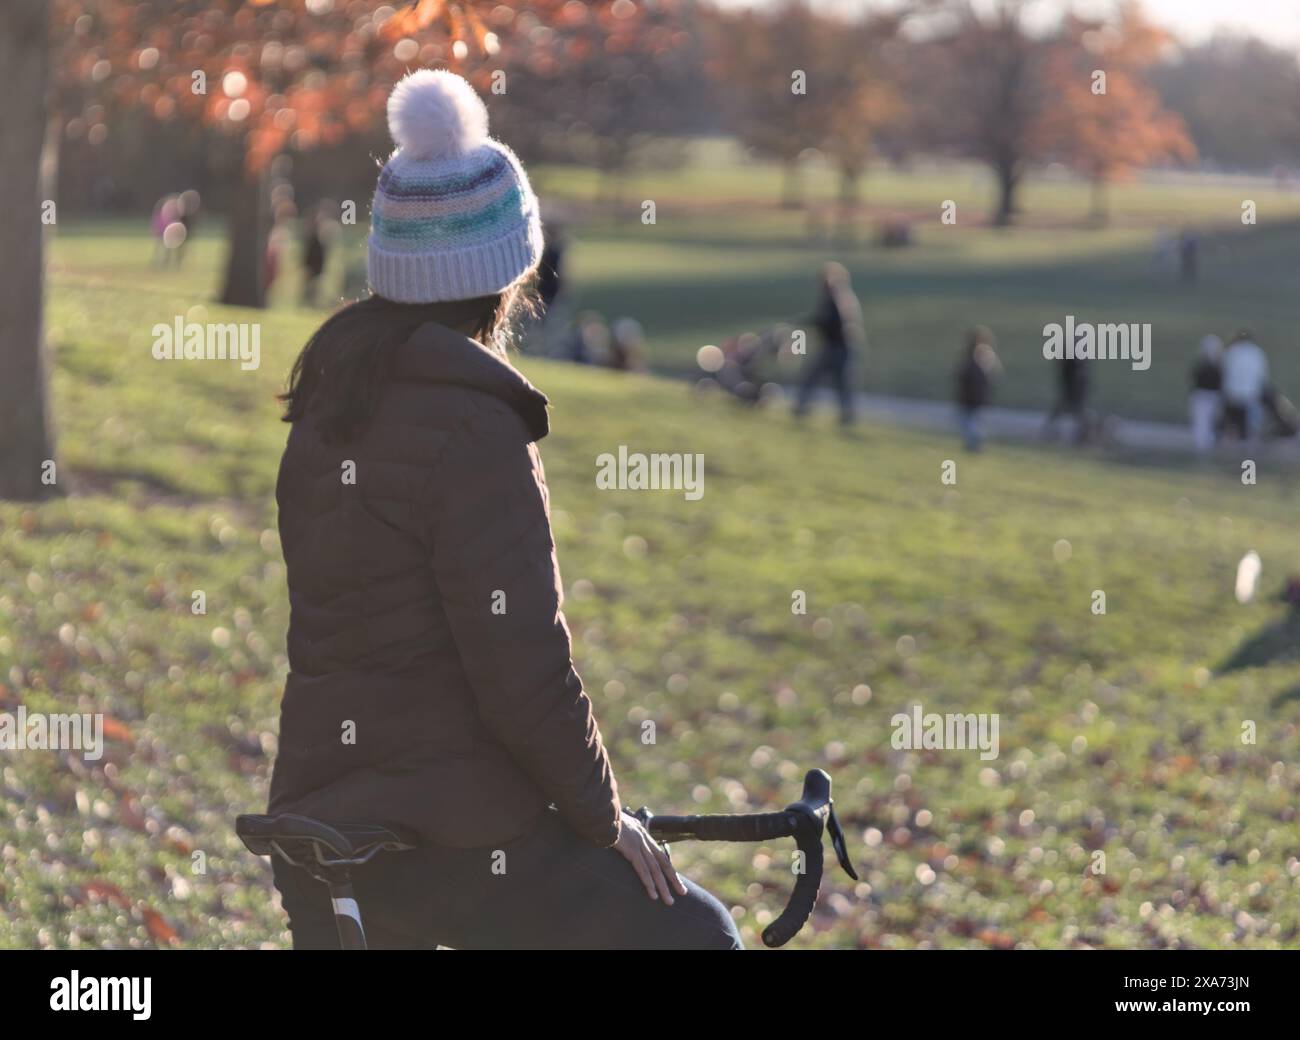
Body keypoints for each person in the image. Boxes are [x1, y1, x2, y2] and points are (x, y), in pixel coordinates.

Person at [267, 70, 740, 951]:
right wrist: (606, 822)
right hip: (446, 840)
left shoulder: (327, 406)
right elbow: (523, 671)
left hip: (316, 823)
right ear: (504, 274)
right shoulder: (476, 428)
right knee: (698, 934)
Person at [793, 261, 862, 426]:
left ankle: (845, 415)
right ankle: (803, 407)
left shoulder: (838, 298)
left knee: (837, 382)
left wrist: (811, 323)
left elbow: (832, 322)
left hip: (839, 347)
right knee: (821, 379)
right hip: (834, 346)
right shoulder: (839, 297)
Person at [953, 326, 1001, 452]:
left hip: (974, 395)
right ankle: (973, 446)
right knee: (970, 423)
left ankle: (974, 446)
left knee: (972, 423)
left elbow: (989, 375)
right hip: (971, 395)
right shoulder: (974, 354)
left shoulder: (983, 354)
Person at [1220, 329, 1270, 440]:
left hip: (1234, 391)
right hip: (1251, 391)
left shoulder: (1232, 352)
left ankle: (1232, 439)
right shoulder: (1257, 353)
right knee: (1250, 421)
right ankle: (1250, 440)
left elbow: (1225, 372)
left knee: (1233, 420)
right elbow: (1262, 374)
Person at [1043, 356, 1090, 444]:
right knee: (1069, 405)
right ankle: (1050, 429)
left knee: (1076, 408)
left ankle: (1080, 434)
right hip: (1072, 379)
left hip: (1076, 380)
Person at [1188, 334, 1223, 454]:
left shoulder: (1215, 366)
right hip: (1203, 397)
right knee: (1202, 425)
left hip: (1210, 398)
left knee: (1207, 424)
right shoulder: (1206, 365)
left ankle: (1206, 447)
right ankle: (1202, 447)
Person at [300, 205, 328, 308]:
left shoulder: (320, 236)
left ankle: (312, 303)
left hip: (317, 265)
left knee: (314, 287)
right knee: (310, 286)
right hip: (312, 265)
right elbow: (308, 252)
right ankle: (308, 302)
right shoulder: (312, 236)